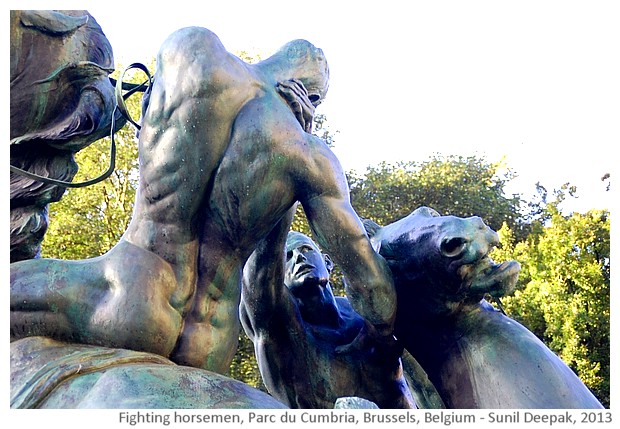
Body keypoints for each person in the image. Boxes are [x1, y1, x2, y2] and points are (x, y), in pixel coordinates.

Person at [11, 27, 396, 374]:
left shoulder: (194, 48)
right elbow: (376, 297)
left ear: (278, 58)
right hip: (210, 342)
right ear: (309, 98)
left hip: (129, 293)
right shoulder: (311, 157)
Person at [240, 217, 415, 408]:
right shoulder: (280, 332)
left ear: (328, 263)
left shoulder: (369, 313)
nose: (298, 258)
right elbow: (260, 269)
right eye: (286, 258)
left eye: (305, 250)